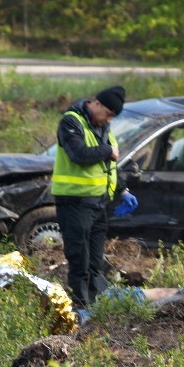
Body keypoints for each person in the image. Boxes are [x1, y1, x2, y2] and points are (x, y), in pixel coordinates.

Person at [51, 85, 138, 306]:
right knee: (79, 260)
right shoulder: (71, 122)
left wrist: (123, 190)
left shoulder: (105, 130)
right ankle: (80, 309)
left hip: (98, 205)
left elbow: (110, 167)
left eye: (113, 117)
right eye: (108, 114)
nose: (109, 120)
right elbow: (79, 154)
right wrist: (107, 151)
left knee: (95, 263)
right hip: (74, 203)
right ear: (96, 104)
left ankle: (93, 305)